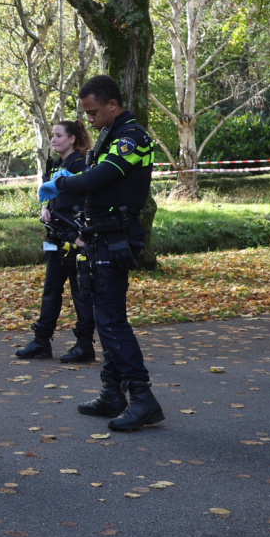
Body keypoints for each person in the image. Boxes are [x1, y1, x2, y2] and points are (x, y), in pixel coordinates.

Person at [50, 74, 164, 432]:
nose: (90, 120)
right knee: (104, 316)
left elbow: (96, 179)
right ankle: (112, 392)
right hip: (102, 234)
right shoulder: (111, 134)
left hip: (116, 237)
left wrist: (60, 182)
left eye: (94, 112)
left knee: (112, 320)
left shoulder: (131, 137)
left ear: (112, 105)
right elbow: (93, 175)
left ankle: (143, 398)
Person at [14, 119, 95, 363]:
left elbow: (88, 198)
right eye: (53, 136)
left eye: (59, 135)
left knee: (80, 292)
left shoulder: (82, 164)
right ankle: (41, 341)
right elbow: (56, 194)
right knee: (51, 290)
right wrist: (46, 208)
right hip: (58, 236)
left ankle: (84, 345)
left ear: (72, 139)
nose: (54, 139)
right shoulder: (58, 164)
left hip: (75, 237)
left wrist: (84, 234)